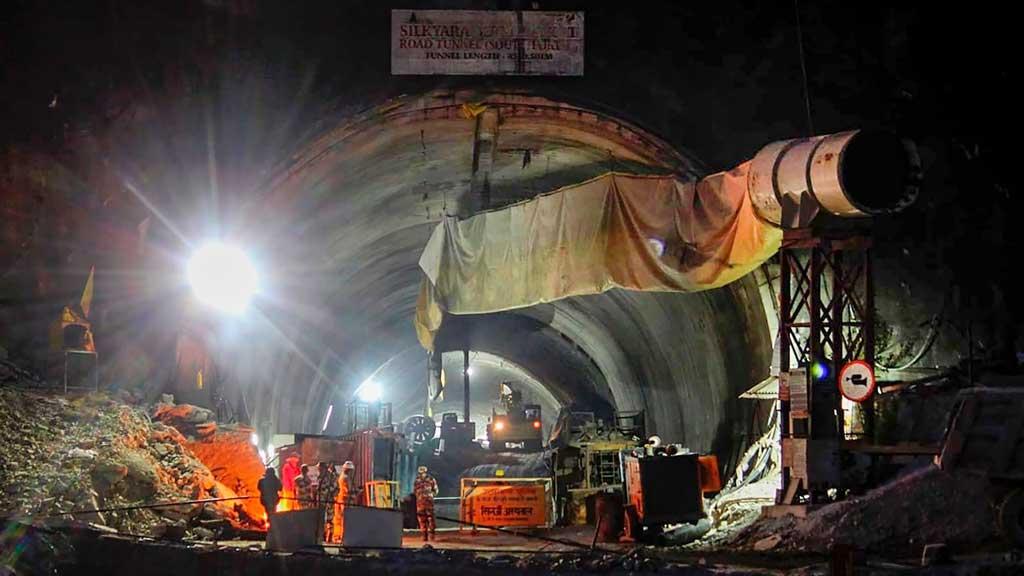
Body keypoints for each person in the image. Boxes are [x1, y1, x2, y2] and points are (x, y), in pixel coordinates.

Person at [413, 465, 438, 541]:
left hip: (429, 502)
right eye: (420, 472)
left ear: (425, 472)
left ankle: (432, 534)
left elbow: (436, 490)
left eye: (423, 472)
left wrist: (430, 496)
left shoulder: (431, 479)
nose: (421, 473)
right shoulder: (417, 480)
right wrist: (419, 496)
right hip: (420, 503)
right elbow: (415, 491)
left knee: (431, 518)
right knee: (422, 519)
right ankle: (424, 535)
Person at [317, 461, 339, 542]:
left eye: (320, 468)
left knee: (330, 519)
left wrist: (329, 492)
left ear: (324, 468)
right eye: (318, 469)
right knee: (321, 520)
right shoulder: (320, 476)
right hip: (321, 501)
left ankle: (329, 537)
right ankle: (322, 536)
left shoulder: (331, 476)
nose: (319, 470)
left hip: (329, 500)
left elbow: (336, 487)